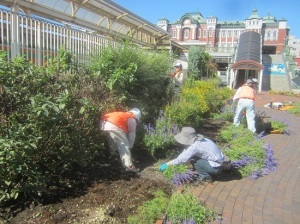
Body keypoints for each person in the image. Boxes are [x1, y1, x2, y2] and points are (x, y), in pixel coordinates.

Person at [159, 127, 224, 182]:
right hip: (220, 163)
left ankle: (205, 176)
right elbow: (185, 152)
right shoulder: (203, 140)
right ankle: (205, 170)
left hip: (216, 168)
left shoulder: (195, 146)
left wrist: (167, 164)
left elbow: (182, 159)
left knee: (194, 160)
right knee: (194, 157)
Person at [100, 108, 141, 172]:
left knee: (113, 140)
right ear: (137, 117)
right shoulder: (132, 119)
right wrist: (130, 146)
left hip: (103, 123)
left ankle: (113, 157)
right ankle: (129, 166)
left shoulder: (125, 115)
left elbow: (123, 132)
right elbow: (132, 135)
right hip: (113, 124)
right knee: (124, 144)